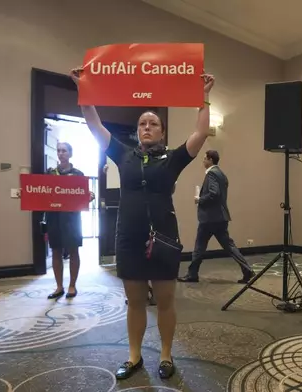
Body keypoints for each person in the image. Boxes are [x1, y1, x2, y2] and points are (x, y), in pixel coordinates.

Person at [70, 66, 215, 380]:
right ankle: (134, 356)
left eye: (153, 123)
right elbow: (92, 122)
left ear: (161, 131)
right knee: (135, 301)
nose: (147, 127)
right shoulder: (122, 154)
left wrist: (203, 98)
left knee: (165, 300)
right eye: (142, 123)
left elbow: (201, 133)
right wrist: (84, 89)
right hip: (129, 238)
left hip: (163, 236)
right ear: (137, 131)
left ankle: (165, 355)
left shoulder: (174, 158)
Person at [177, 150, 254, 283]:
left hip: (209, 218)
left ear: (210, 160)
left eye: (204, 158)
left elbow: (214, 193)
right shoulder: (222, 175)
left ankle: (192, 275)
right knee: (229, 246)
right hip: (220, 217)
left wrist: (199, 199)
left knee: (199, 246)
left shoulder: (212, 173)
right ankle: (247, 270)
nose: (203, 161)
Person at [45, 142, 92, 299]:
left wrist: (89, 197)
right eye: (58, 151)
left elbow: (84, 196)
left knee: (73, 251)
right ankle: (59, 286)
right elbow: (41, 192)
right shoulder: (50, 173)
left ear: (70, 154)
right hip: (53, 217)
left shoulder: (78, 174)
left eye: (64, 151)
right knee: (56, 251)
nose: (61, 153)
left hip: (72, 218)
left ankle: (72, 285)